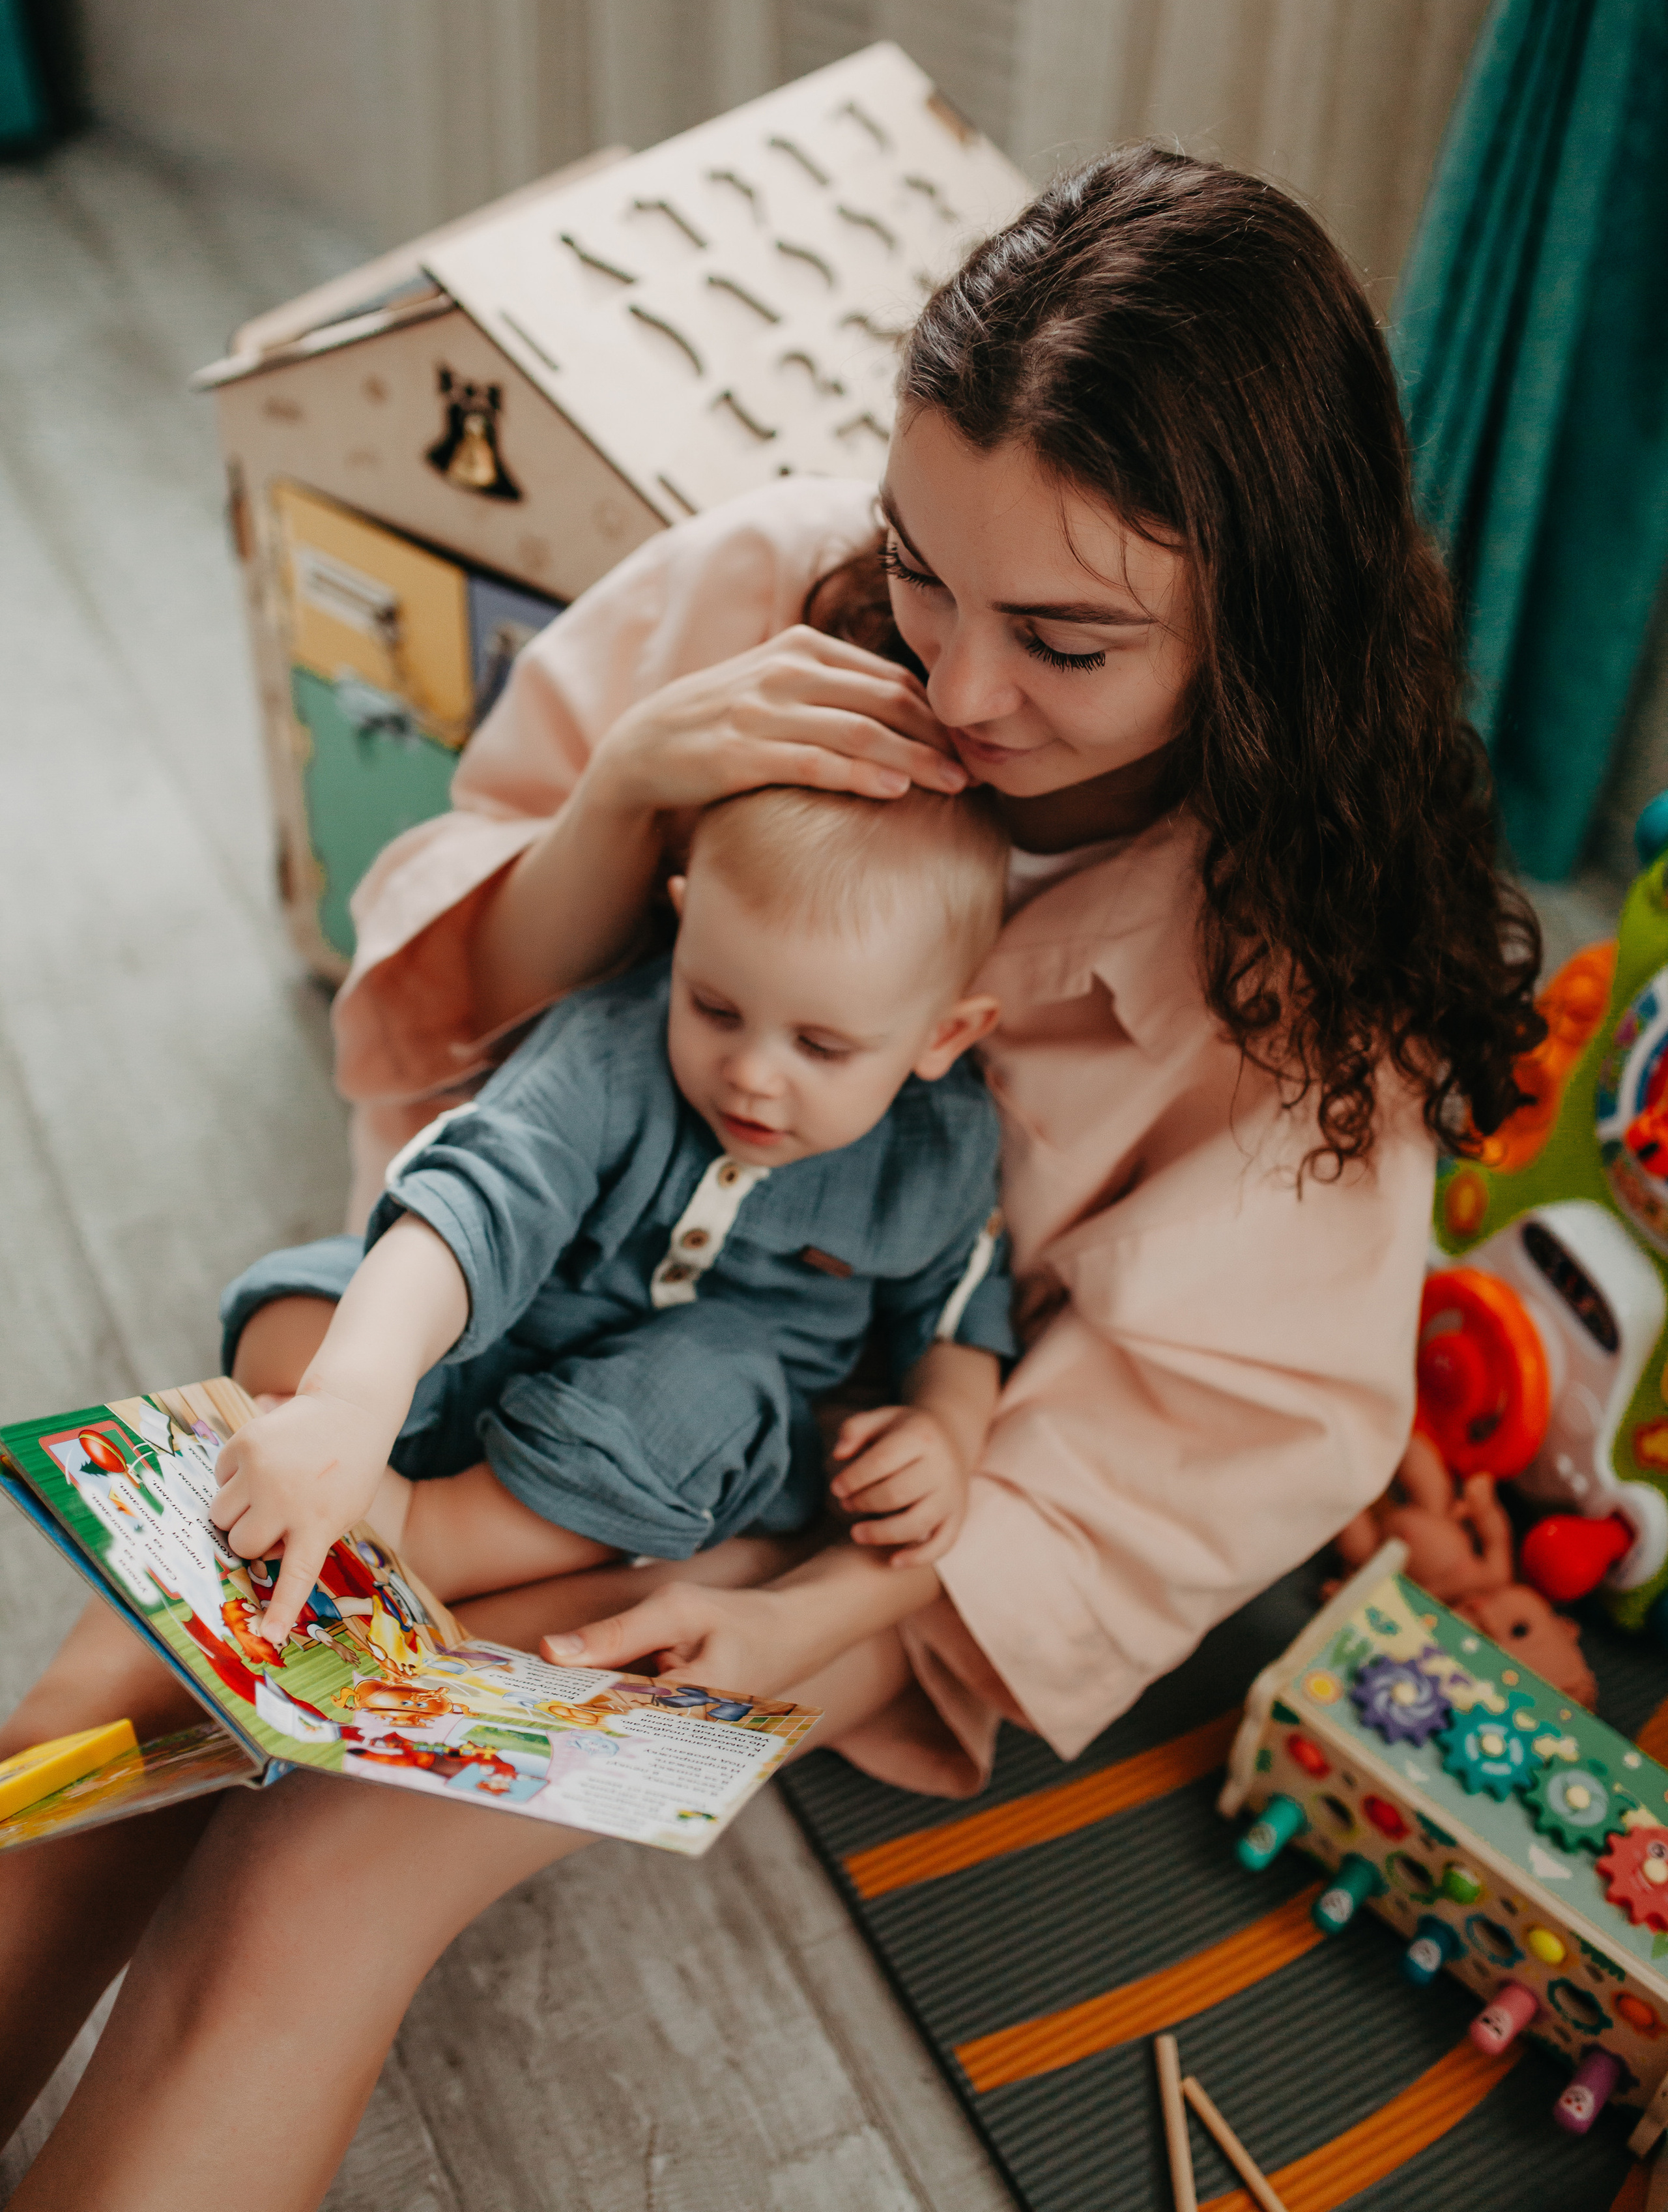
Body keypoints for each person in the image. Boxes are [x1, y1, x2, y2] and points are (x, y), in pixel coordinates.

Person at [0, 146, 1539, 2210]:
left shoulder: (1299, 973)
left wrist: (815, 1615)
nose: (960, 689)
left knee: (318, 1875)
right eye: (923, 572)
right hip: (523, 1323)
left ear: (1258, 627)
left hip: (823, 1507)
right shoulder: (775, 589)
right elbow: (478, 1047)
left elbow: (1182, 1436)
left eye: (1066, 643)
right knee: (110, 1699)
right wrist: (635, 786)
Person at [213, 784, 1014, 1640]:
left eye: (819, 1047)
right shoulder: (610, 1046)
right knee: (320, 1289)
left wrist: (946, 1432)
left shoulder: (940, 1155)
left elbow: (955, 1324)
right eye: (714, 1007)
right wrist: (351, 1394)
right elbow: (481, 1198)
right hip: (493, 1338)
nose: (751, 1073)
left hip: (652, 1437)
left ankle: (423, 1533)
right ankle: (320, 1434)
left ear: (944, 1035)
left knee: (713, 1384)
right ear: (683, 927)